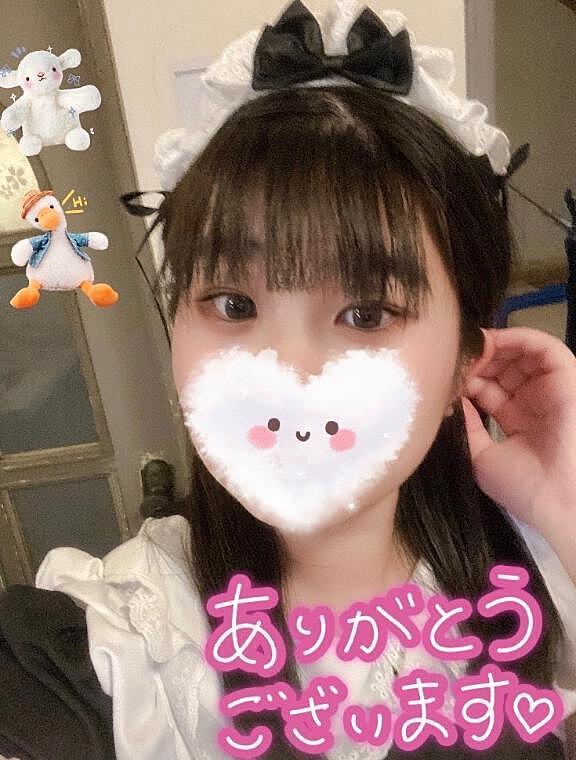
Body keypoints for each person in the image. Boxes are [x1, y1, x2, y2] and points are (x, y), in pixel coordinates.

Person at [1, 1, 576, 759]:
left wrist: (564, 508)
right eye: (232, 305)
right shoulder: (127, 642)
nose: (289, 378)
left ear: (463, 365)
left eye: (366, 314)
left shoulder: (534, 569)